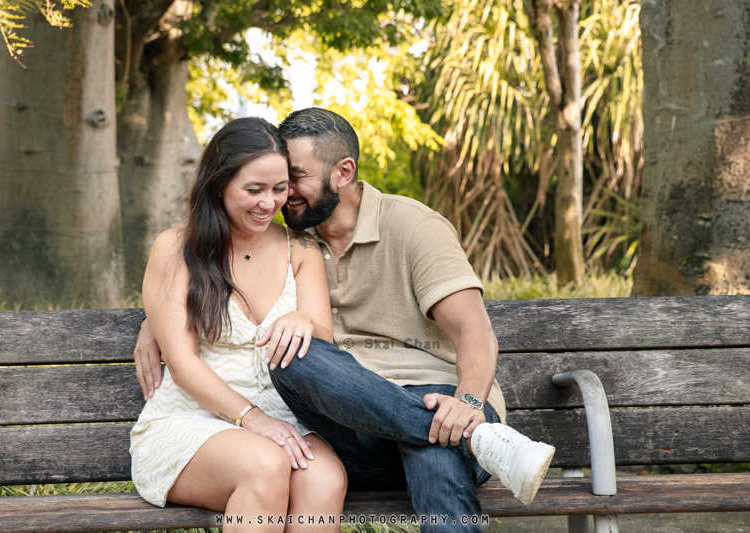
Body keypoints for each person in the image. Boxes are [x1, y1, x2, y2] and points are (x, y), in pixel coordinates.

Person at [134, 108, 554, 532]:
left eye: (289, 181)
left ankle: (470, 434)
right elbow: (201, 285)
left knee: (432, 449)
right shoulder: (294, 233)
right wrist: (155, 320)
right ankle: (475, 439)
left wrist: (465, 406)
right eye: (267, 184)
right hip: (349, 428)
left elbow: (473, 330)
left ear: (343, 172)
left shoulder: (404, 228)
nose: (280, 197)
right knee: (299, 364)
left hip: (441, 406)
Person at [130, 117, 347, 532]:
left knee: (325, 476)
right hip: (194, 421)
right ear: (219, 184)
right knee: (264, 463)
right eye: (254, 190)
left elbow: (322, 337)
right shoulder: (177, 248)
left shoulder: (300, 248)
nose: (269, 203)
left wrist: (302, 318)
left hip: (286, 418)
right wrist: (252, 419)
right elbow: (181, 360)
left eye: (280, 189)